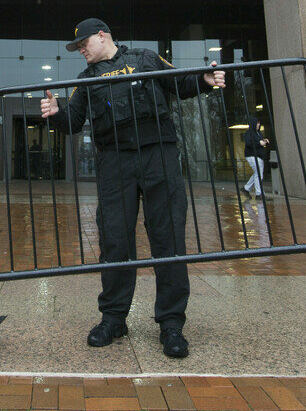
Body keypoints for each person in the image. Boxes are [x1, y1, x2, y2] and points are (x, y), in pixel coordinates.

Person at [40, 18, 225, 359]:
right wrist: (55, 113)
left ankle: (171, 324)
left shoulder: (145, 58)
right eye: (77, 47)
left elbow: (179, 82)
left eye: (84, 44)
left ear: (102, 35)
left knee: (168, 238)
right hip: (114, 162)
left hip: (159, 155)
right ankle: (113, 319)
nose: (80, 50)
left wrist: (204, 79)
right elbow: (72, 122)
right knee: (115, 239)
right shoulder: (86, 80)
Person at [241, 118, 269, 205]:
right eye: (257, 123)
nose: (258, 125)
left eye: (259, 123)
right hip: (252, 155)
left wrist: (264, 141)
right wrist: (259, 143)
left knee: (257, 173)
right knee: (258, 173)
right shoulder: (249, 133)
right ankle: (259, 194)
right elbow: (249, 143)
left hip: (258, 156)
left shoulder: (258, 133)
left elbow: (258, 142)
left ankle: (246, 189)